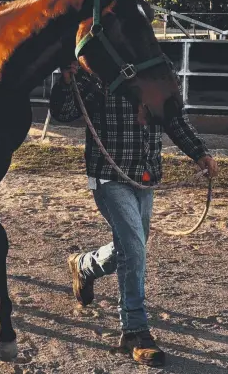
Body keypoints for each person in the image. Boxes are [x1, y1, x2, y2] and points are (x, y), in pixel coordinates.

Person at [49, 60, 218, 367]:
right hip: (108, 176)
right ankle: (135, 332)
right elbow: (63, 114)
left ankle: (84, 266)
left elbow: (173, 118)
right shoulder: (94, 71)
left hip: (145, 175)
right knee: (134, 251)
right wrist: (65, 82)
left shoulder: (158, 68)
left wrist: (199, 152)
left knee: (131, 247)